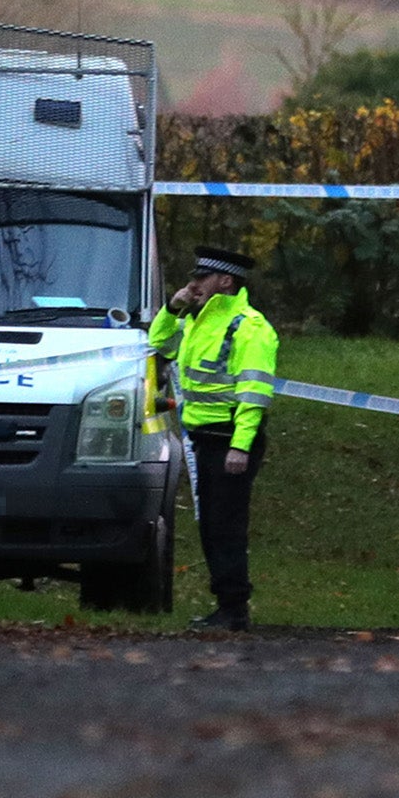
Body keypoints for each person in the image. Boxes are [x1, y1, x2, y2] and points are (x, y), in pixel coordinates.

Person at [148, 245, 279, 631]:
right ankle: (227, 606)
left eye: (200, 278)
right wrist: (172, 309)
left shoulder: (250, 327)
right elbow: (159, 344)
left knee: (225, 526)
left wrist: (240, 446)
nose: (193, 285)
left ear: (225, 280)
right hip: (205, 439)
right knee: (212, 526)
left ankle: (234, 608)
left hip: (229, 442)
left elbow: (253, 395)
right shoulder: (198, 320)